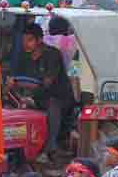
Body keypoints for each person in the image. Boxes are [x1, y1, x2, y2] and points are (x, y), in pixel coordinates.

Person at [9, 23, 72, 154]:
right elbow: (18, 78)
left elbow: (46, 83)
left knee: (52, 106)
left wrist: (20, 85)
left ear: (39, 40)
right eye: (24, 40)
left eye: (30, 40)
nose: (26, 44)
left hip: (58, 97)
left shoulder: (53, 55)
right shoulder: (24, 56)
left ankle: (51, 147)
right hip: (36, 96)